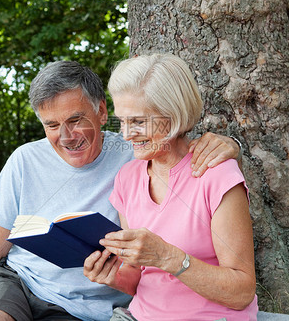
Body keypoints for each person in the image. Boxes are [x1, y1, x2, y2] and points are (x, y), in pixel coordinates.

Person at [0, 60, 241, 321]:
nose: (66, 137)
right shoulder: (26, 160)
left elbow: (173, 140)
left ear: (101, 111)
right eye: (52, 125)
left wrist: (230, 145)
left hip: (78, 306)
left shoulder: (134, 153)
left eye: (75, 120)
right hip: (19, 282)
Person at [83, 53, 258, 320]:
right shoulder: (127, 178)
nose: (127, 134)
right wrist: (113, 277)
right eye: (123, 121)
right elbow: (135, 277)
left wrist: (168, 257)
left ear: (173, 116)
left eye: (139, 122)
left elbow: (241, 292)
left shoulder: (217, 175)